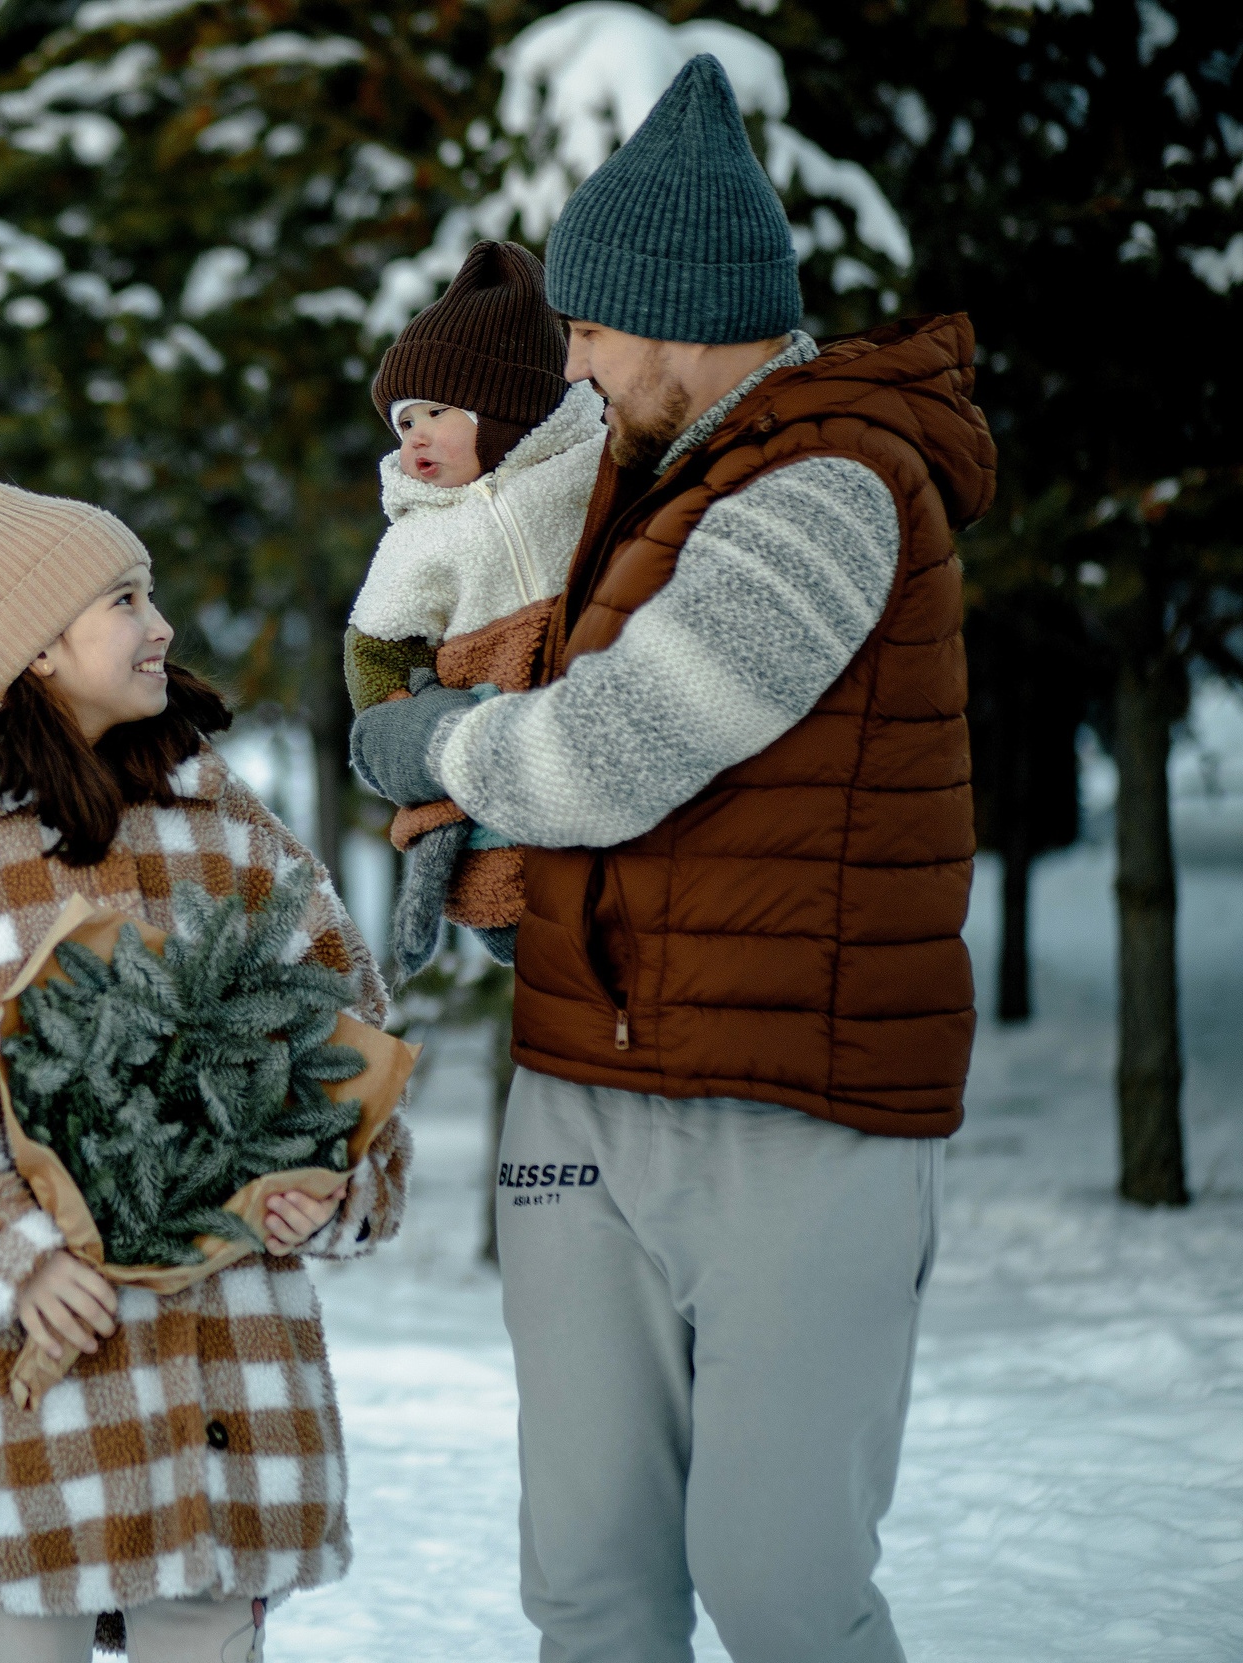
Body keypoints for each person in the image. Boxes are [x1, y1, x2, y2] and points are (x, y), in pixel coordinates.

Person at [352, 56, 992, 1663]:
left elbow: (606, 754)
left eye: (586, 331)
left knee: (781, 1586)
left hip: (795, 1108)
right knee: (589, 1584)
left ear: (681, 315)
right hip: (583, 1093)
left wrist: (431, 745)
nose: (567, 368)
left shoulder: (832, 485)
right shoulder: (636, 489)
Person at [0, 463, 411, 1663]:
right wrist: (6, 1258)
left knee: (205, 1625)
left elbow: (344, 1045)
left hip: (224, 1397)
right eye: (124, 599)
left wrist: (327, 1183)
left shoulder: (229, 835)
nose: (160, 625)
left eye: (149, 592)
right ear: (32, 646)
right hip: (32, 1411)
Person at [342, 238, 606, 979]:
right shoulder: (417, 534)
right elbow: (375, 645)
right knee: (514, 896)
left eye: (437, 411)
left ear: (510, 405)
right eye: (402, 422)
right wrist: (412, 717)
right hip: (485, 739)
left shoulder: (590, 466)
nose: (415, 434)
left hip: (594, 713)